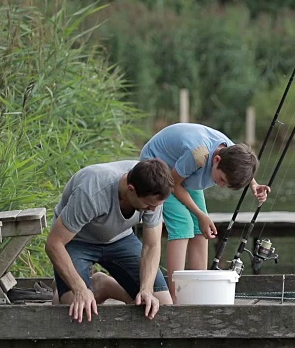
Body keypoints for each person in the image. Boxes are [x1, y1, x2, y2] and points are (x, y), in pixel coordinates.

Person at [140, 123, 270, 302]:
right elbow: (174, 184)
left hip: (185, 174)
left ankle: (196, 292)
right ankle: (174, 295)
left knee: (202, 231)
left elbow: (244, 166)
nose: (221, 185)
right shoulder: (198, 156)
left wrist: (254, 185)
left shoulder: (231, 152)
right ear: (216, 160)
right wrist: (200, 215)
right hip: (160, 170)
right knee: (183, 224)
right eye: (222, 179)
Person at [45, 159, 174, 323]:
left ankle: (103, 285)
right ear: (131, 189)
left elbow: (151, 245)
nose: (153, 210)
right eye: (148, 205)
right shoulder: (92, 191)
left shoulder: (154, 188)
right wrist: (79, 289)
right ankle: (63, 290)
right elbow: (54, 244)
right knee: (76, 309)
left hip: (120, 238)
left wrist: (146, 289)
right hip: (78, 240)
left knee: (161, 305)